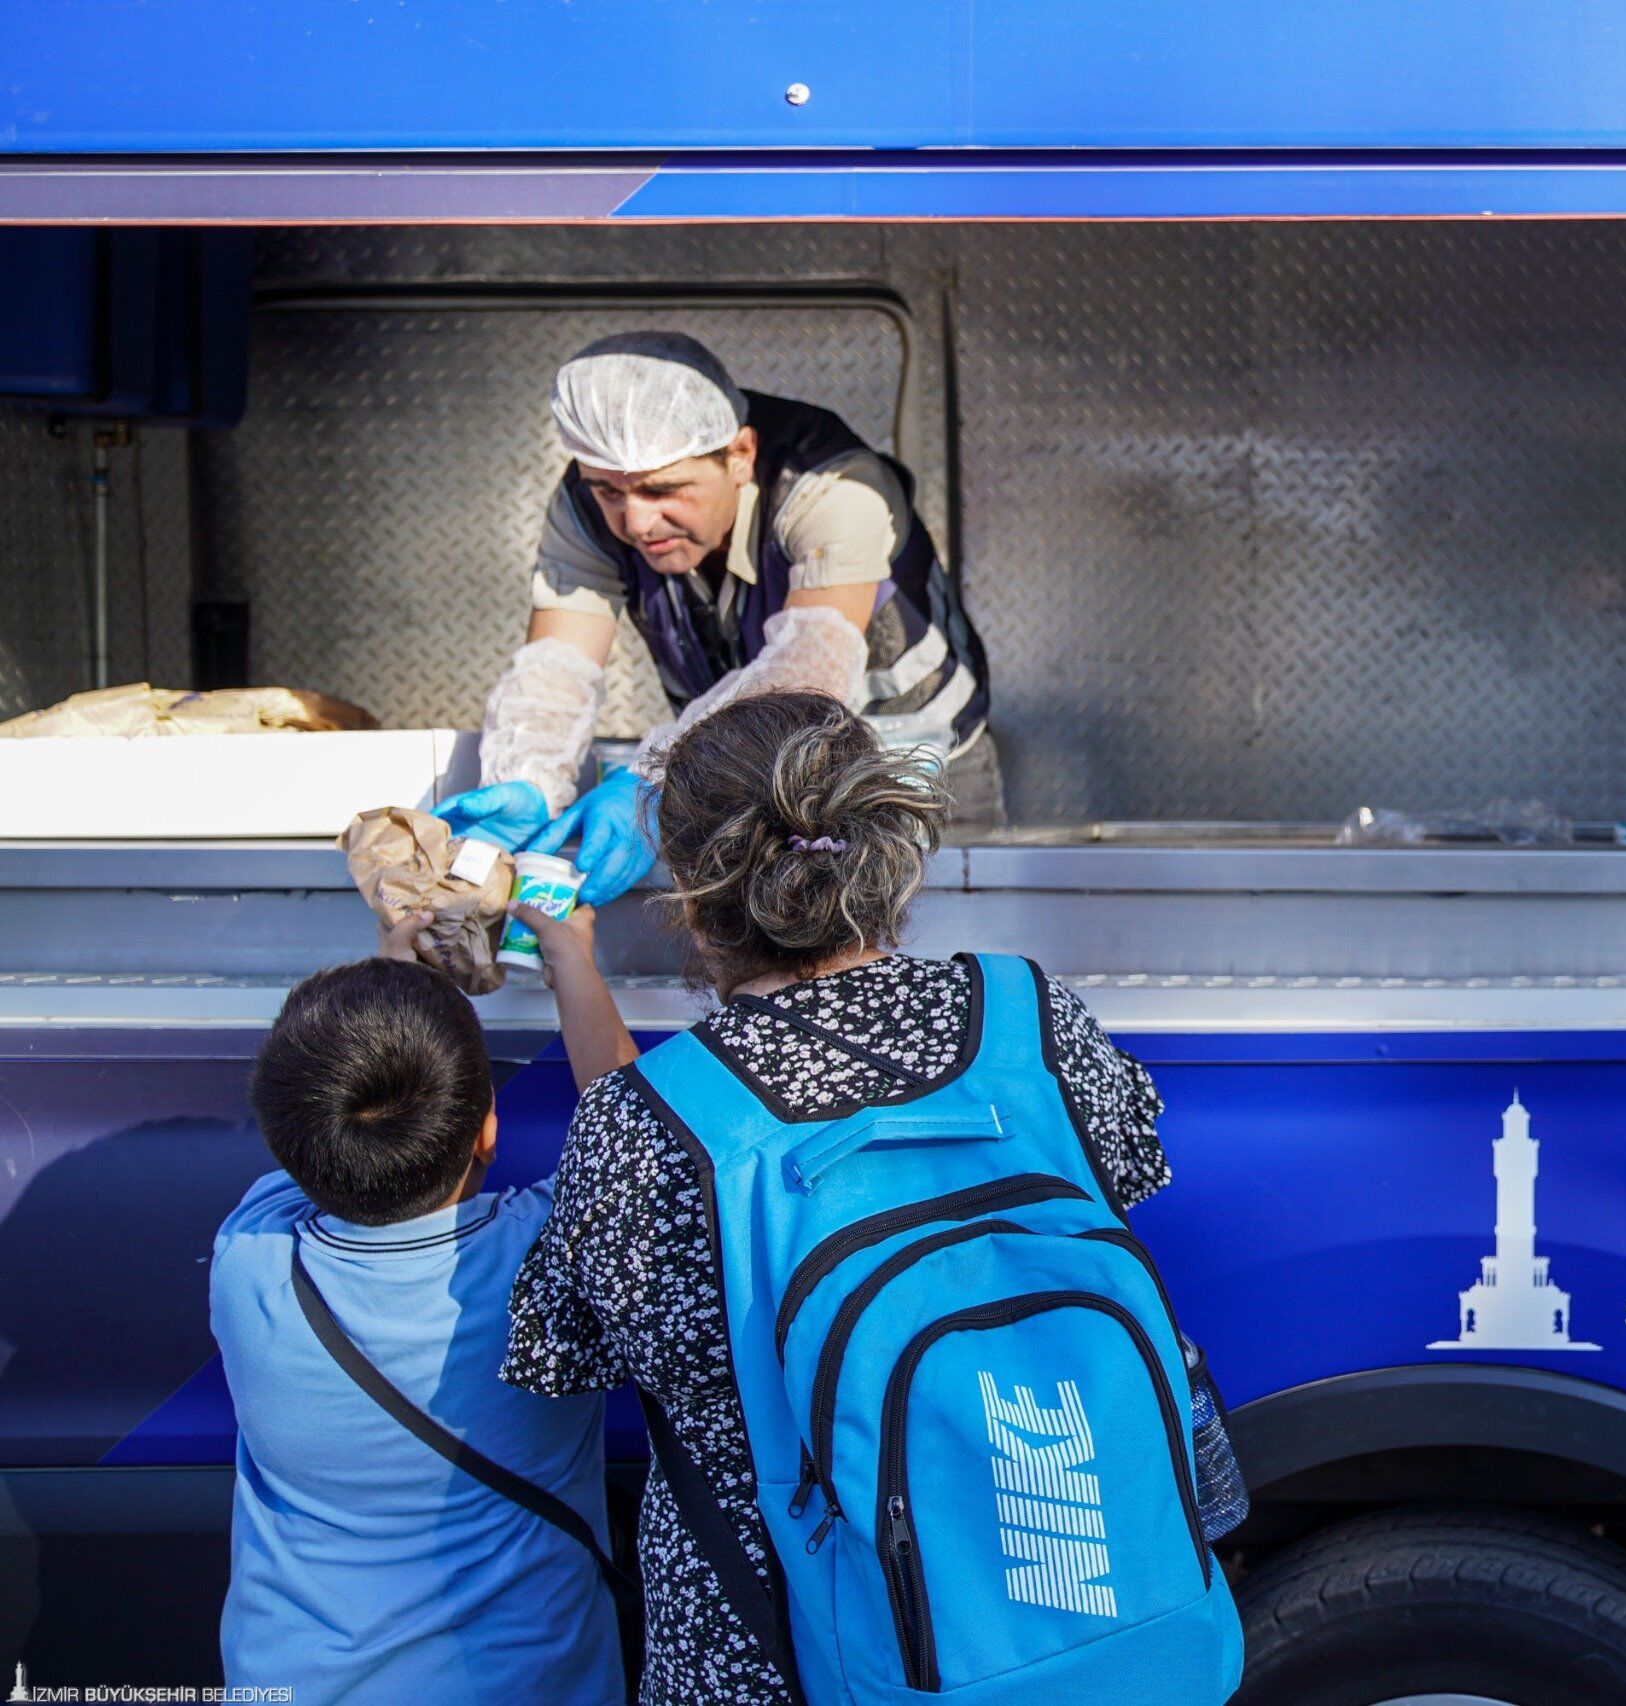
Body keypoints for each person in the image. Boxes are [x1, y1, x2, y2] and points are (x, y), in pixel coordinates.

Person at [502, 692, 1234, 1704]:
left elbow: (562, 1349)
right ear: (885, 848)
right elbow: (1134, 1169)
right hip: (1100, 1626)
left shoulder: (645, 1125)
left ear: (688, 890)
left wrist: (572, 971)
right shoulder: (1028, 1017)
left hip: (784, 1654)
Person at [211, 901, 637, 1704]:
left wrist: (390, 1002)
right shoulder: (542, 1260)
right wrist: (574, 964)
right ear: (487, 1133)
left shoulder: (251, 1261)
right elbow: (633, 1140)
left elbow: (320, 1138)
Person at [434, 331, 999, 903]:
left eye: (663, 489)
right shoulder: (586, 502)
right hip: (747, 773)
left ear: (740, 456)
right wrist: (528, 777)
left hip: (910, 761)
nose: (636, 523)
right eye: (608, 490)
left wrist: (657, 780)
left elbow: (808, 671)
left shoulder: (832, 486)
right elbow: (557, 661)